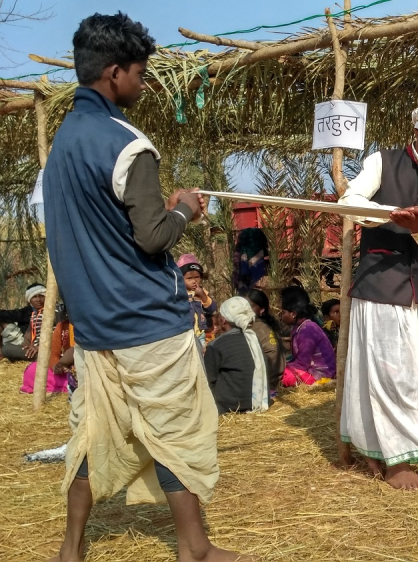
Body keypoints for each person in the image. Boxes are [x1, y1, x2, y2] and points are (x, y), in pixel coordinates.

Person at [41, 13, 242, 562]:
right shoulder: (128, 146)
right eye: (140, 72)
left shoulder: (62, 145)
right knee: (176, 429)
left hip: (96, 327)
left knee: (92, 432)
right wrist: (183, 209)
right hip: (149, 320)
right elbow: (153, 237)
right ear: (113, 73)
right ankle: (194, 548)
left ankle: (71, 546)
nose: (144, 82)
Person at [338, 94, 418, 490]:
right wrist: (388, 213)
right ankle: (397, 460)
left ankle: (380, 445)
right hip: (380, 287)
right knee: (392, 377)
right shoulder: (382, 161)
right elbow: (350, 202)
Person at [204, 297, 269, 414]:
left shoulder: (216, 345)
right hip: (256, 402)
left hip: (229, 407)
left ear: (223, 320)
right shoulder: (254, 339)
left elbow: (208, 381)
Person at [279, 287, 337, 385]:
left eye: (283, 312)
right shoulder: (299, 328)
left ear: (293, 313)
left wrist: (281, 367)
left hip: (320, 376)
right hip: (310, 372)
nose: (281, 315)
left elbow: (302, 364)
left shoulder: (307, 329)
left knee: (281, 375)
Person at [245, 289, 286, 394]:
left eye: (250, 306)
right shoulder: (265, 325)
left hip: (267, 382)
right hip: (274, 379)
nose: (246, 310)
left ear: (261, 309)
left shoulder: (255, 328)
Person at [177, 254, 217, 347]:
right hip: (185, 334)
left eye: (197, 277)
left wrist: (202, 295)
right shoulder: (179, 293)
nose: (194, 281)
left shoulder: (202, 292)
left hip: (200, 334)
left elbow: (211, 309)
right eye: (189, 278)